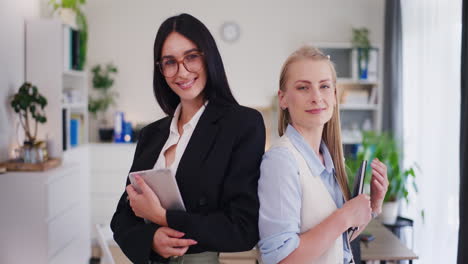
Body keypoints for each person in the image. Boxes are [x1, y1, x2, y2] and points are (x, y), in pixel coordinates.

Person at [111, 13, 265, 264]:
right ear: (160, 69)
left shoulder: (242, 124)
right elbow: (121, 219)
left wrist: (163, 217)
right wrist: (151, 239)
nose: (182, 72)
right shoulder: (152, 135)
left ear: (209, 58)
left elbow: (242, 229)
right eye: (170, 62)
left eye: (191, 57)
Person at [257, 46, 389, 264]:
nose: (317, 97)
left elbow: (335, 243)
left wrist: (373, 206)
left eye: (325, 86)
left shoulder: (329, 161)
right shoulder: (281, 161)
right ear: (283, 99)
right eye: (303, 88)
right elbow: (282, 260)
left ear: (335, 95)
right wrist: (344, 215)